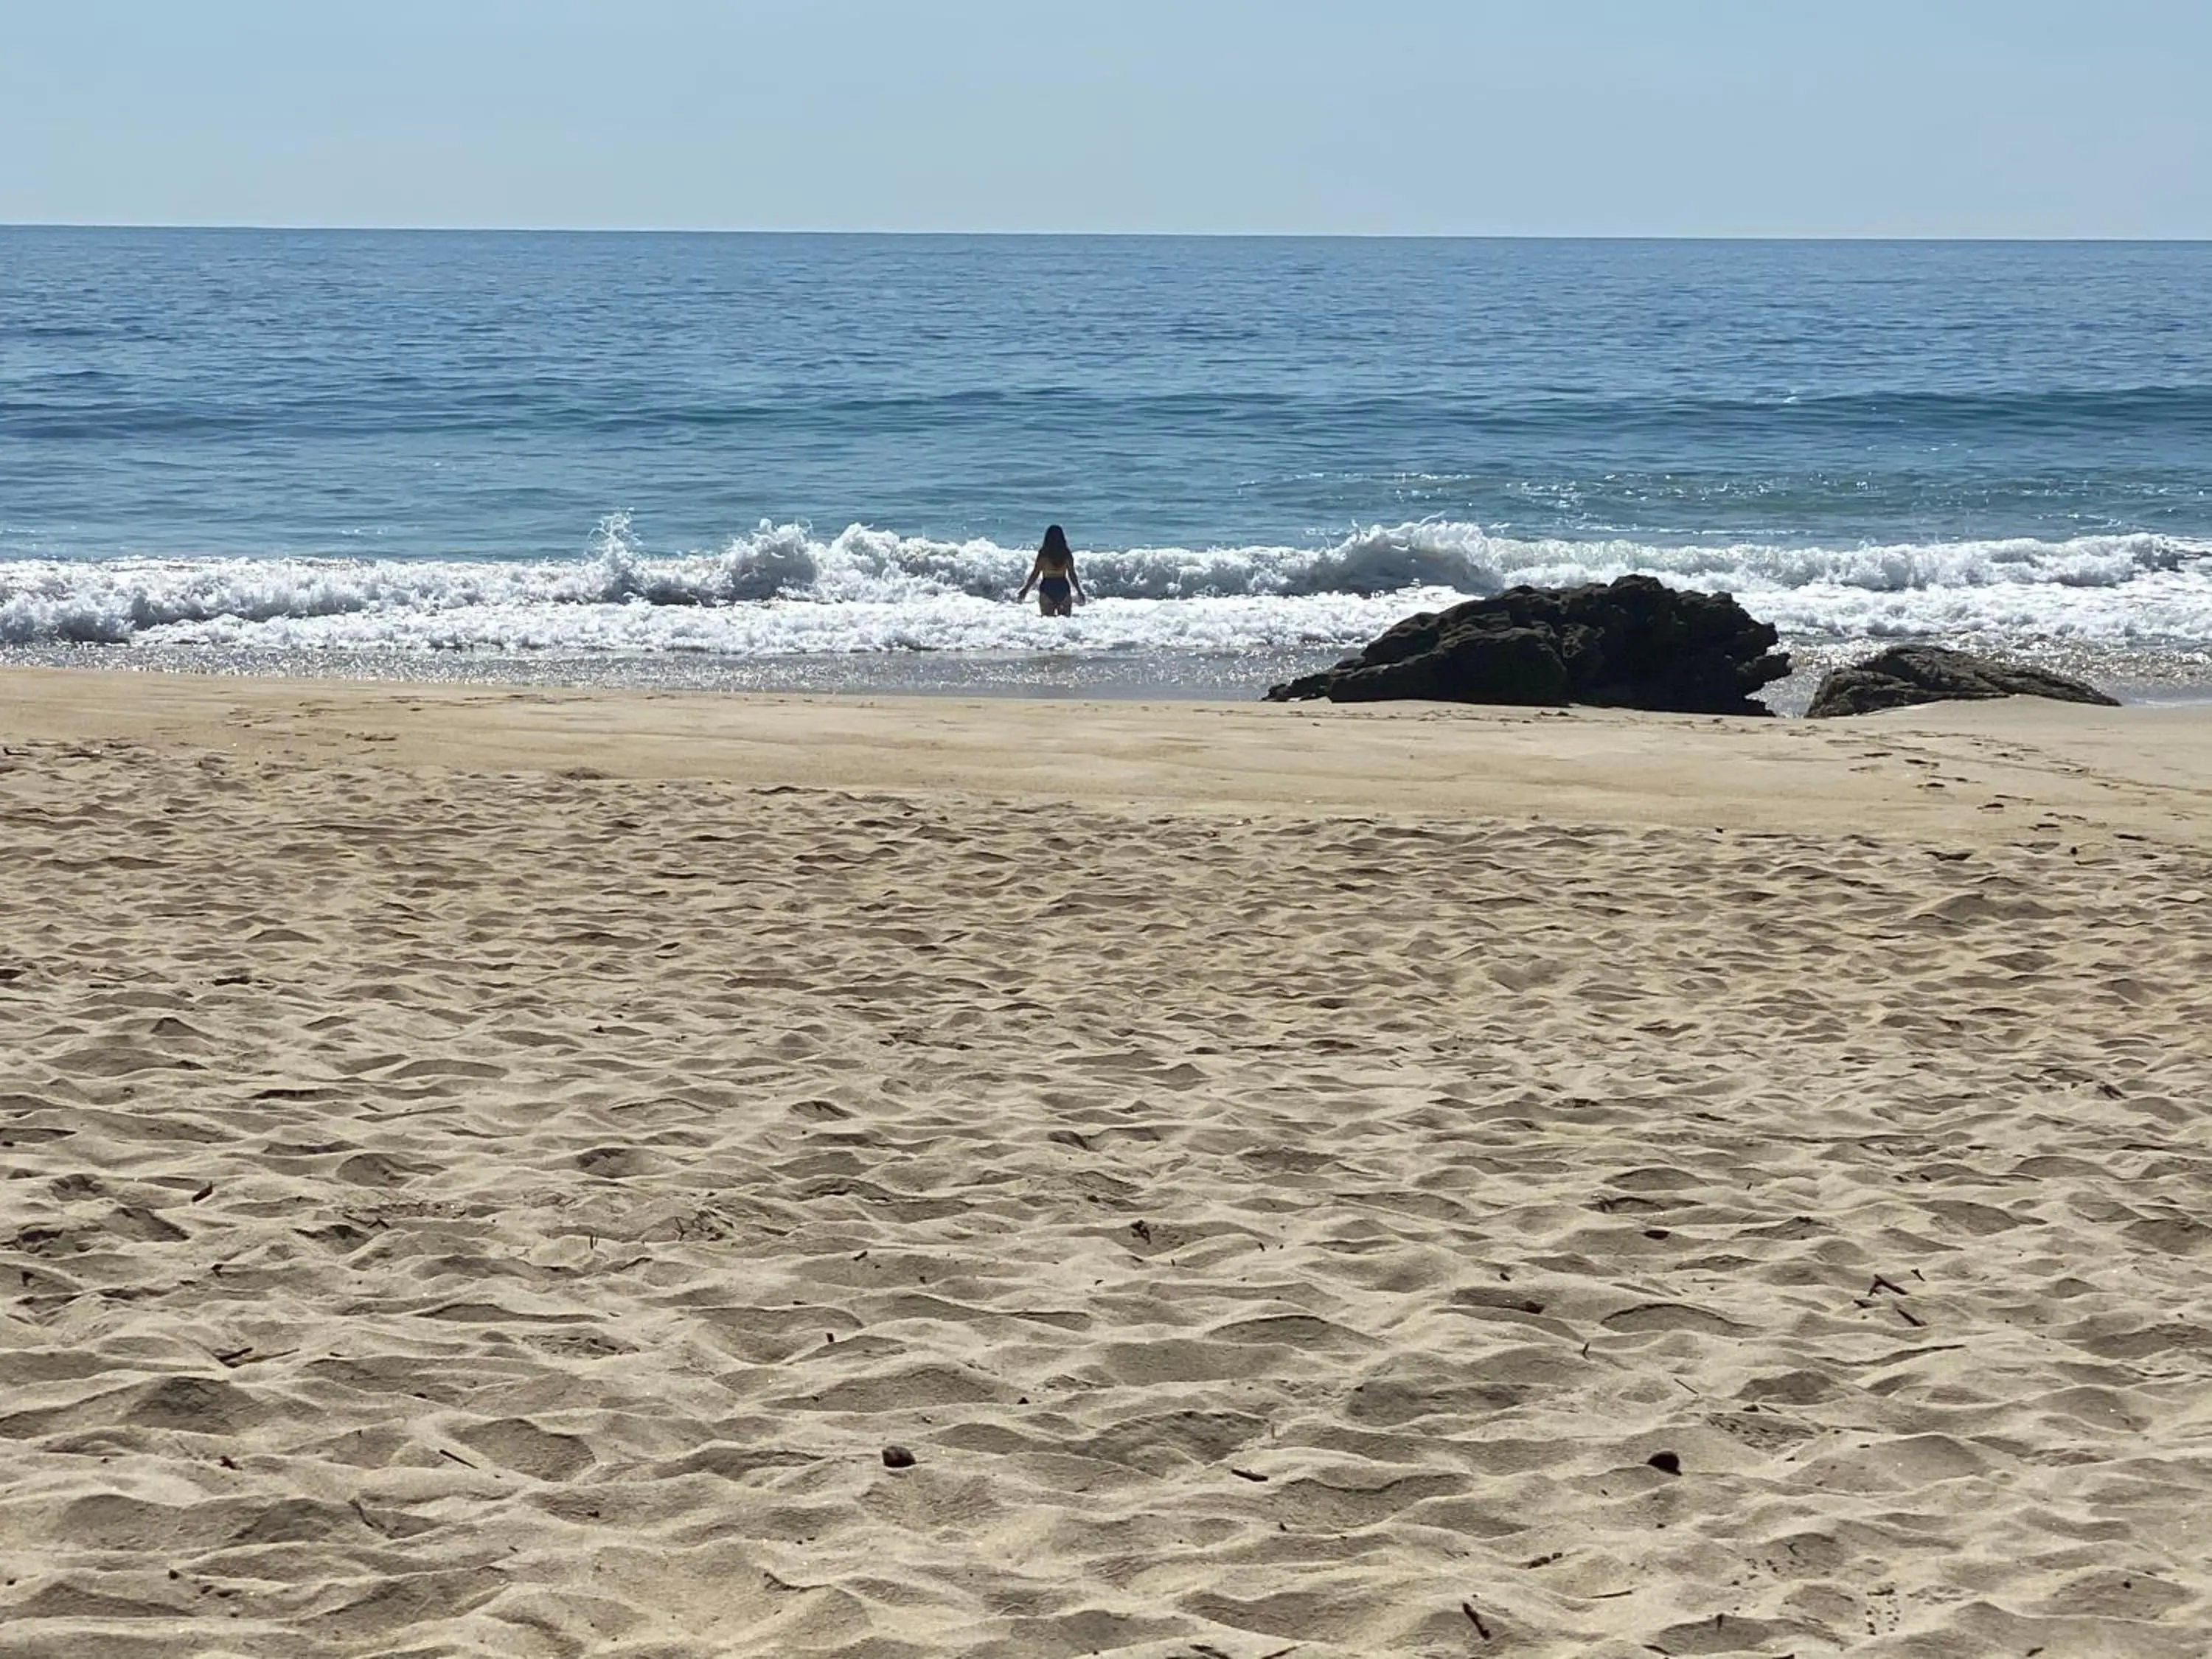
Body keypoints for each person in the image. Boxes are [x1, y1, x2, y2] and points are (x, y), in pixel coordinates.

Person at [1016, 524, 1085, 616]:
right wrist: (1079, 591)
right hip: (1063, 588)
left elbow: (1035, 573)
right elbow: (1072, 574)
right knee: (1065, 623)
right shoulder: (1066, 553)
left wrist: (1026, 589)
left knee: (1048, 623)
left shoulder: (1044, 554)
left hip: (1047, 587)